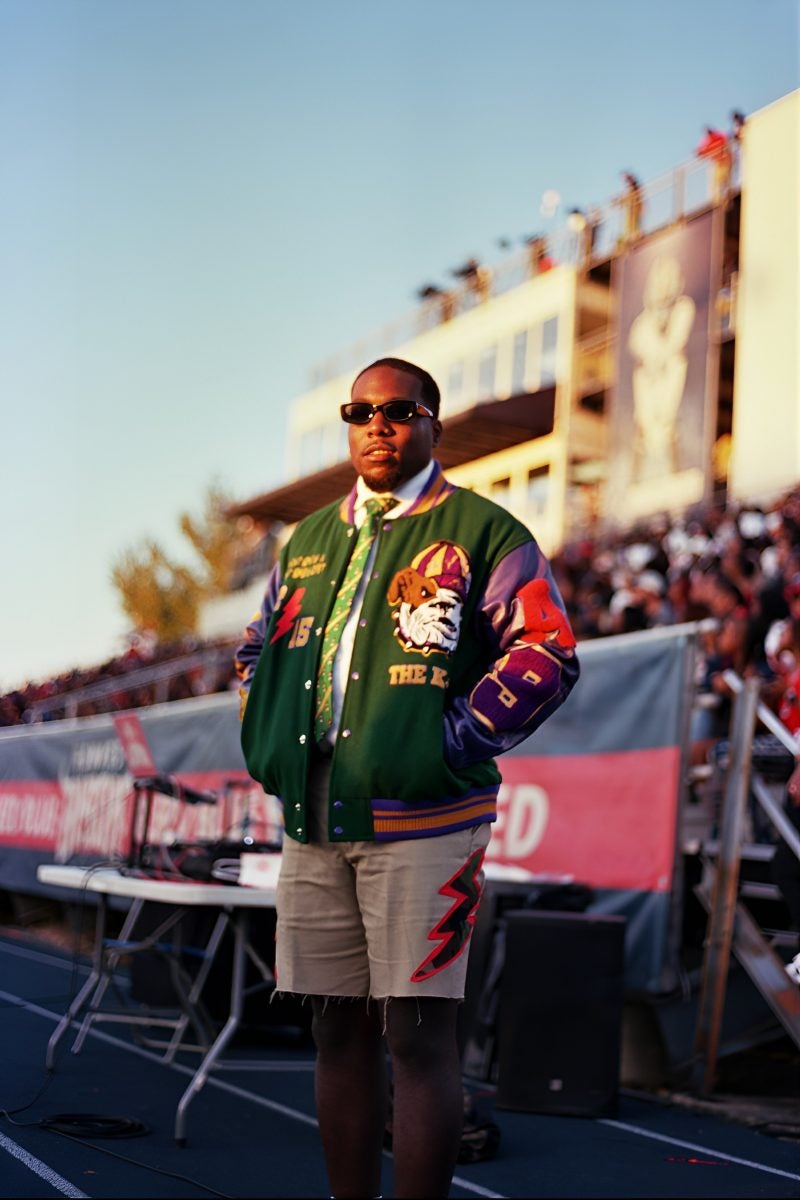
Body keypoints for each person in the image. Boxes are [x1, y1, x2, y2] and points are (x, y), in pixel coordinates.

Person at [235, 357, 579, 1198]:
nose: (377, 424)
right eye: (359, 411)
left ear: (432, 422)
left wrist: (449, 742)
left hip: (428, 826)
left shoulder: (485, 531)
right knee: (334, 1035)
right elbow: (254, 653)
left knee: (419, 1041)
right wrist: (268, 733)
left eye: (397, 409)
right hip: (314, 825)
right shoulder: (308, 540)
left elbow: (548, 652)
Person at [696, 126, 732, 204]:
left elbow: (726, 143)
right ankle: (718, 199)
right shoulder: (708, 140)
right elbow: (703, 151)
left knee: (724, 179)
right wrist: (699, 152)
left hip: (724, 161)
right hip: (718, 162)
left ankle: (726, 197)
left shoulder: (719, 136)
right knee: (717, 181)